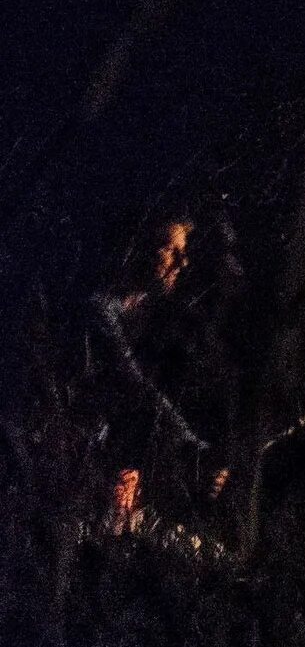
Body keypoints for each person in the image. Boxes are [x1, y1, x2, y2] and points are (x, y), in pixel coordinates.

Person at [83, 215, 212, 525]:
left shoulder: (150, 315)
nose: (183, 263)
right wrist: (188, 443)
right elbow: (132, 382)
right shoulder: (102, 309)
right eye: (171, 250)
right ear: (139, 250)